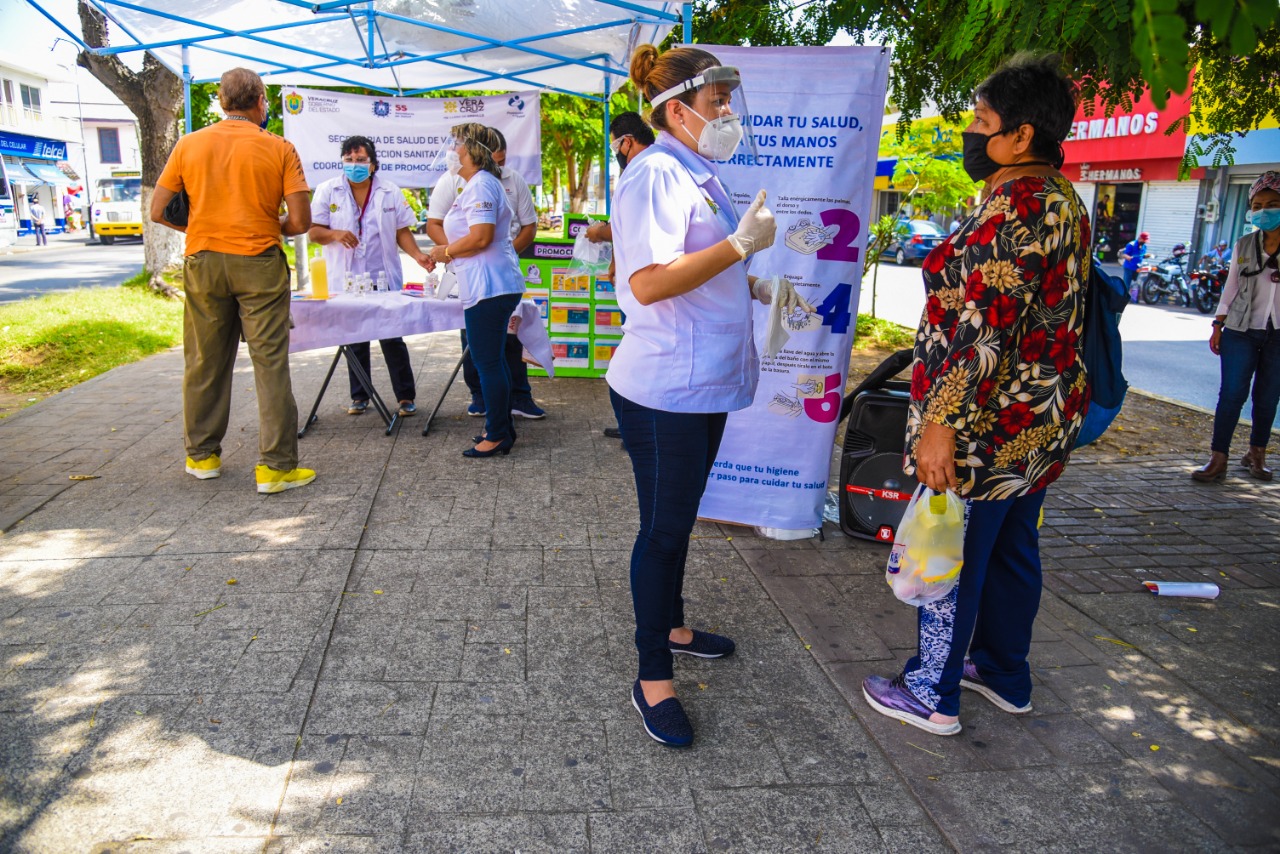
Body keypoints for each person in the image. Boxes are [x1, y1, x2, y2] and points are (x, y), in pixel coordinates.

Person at [862, 53, 1090, 736]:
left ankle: (933, 694)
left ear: (1020, 136)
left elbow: (982, 329)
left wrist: (941, 428)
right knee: (1015, 547)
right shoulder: (1061, 197)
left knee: (953, 550)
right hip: (1040, 423)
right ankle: (1002, 672)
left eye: (981, 122)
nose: (971, 133)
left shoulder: (1015, 207)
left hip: (986, 427)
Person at [610, 44, 811, 747]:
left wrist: (753, 282)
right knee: (662, 530)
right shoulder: (654, 173)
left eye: (728, 99)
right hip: (665, 386)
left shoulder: (698, 170)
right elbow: (648, 282)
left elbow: (698, 267)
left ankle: (672, 623)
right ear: (677, 110)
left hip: (700, 382)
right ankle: (651, 675)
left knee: (680, 518)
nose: (727, 112)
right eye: (717, 101)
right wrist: (736, 251)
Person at [150, 67, 315, 495]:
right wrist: (269, 222)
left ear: (222, 102)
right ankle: (275, 468)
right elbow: (300, 221)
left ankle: (202, 456)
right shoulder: (280, 147)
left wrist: (205, 223)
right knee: (270, 362)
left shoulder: (189, 144)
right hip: (259, 260)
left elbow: (158, 209)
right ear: (260, 100)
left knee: (205, 359)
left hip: (203, 261)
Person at [422, 123, 526, 458]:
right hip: (489, 284)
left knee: (487, 362)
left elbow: (481, 237)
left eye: (458, 145)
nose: (453, 151)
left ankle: (496, 434)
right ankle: (502, 429)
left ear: (474, 151)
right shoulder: (477, 185)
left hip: (490, 286)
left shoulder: (481, 185)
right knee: (492, 360)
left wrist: (446, 251)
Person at [308, 135, 429, 418]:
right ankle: (360, 396)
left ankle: (405, 397)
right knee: (354, 337)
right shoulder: (328, 190)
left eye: (361, 160)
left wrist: (418, 256)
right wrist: (335, 234)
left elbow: (402, 231)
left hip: (382, 275)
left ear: (373, 164)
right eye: (349, 160)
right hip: (346, 277)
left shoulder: (390, 191)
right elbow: (314, 232)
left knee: (391, 336)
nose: (355, 165)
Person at [1191, 171, 1280, 483]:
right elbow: (1229, 289)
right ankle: (1218, 458)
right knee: (1231, 394)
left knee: (1268, 397)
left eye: (1272, 204)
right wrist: (1217, 324)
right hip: (1240, 330)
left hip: (1278, 335)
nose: (1263, 210)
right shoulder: (1244, 245)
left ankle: (1256, 455)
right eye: (1257, 205)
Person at [586, 110, 655, 444]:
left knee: (632, 364)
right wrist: (616, 263)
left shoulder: (642, 172)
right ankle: (632, 427)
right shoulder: (647, 168)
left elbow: (626, 228)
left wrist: (600, 232)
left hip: (649, 287)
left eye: (616, 145)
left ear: (626, 142)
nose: (616, 153)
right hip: (640, 283)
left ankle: (635, 430)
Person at [1121, 230, 1149, 303]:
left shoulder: (1144, 246)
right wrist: (1128, 257)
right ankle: (1123, 299)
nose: (1144, 242)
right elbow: (1124, 254)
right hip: (1129, 267)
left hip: (1138, 268)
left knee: (1136, 284)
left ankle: (1134, 299)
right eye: (1144, 240)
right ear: (1140, 238)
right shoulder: (1131, 245)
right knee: (1126, 284)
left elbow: (1142, 256)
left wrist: (1147, 256)